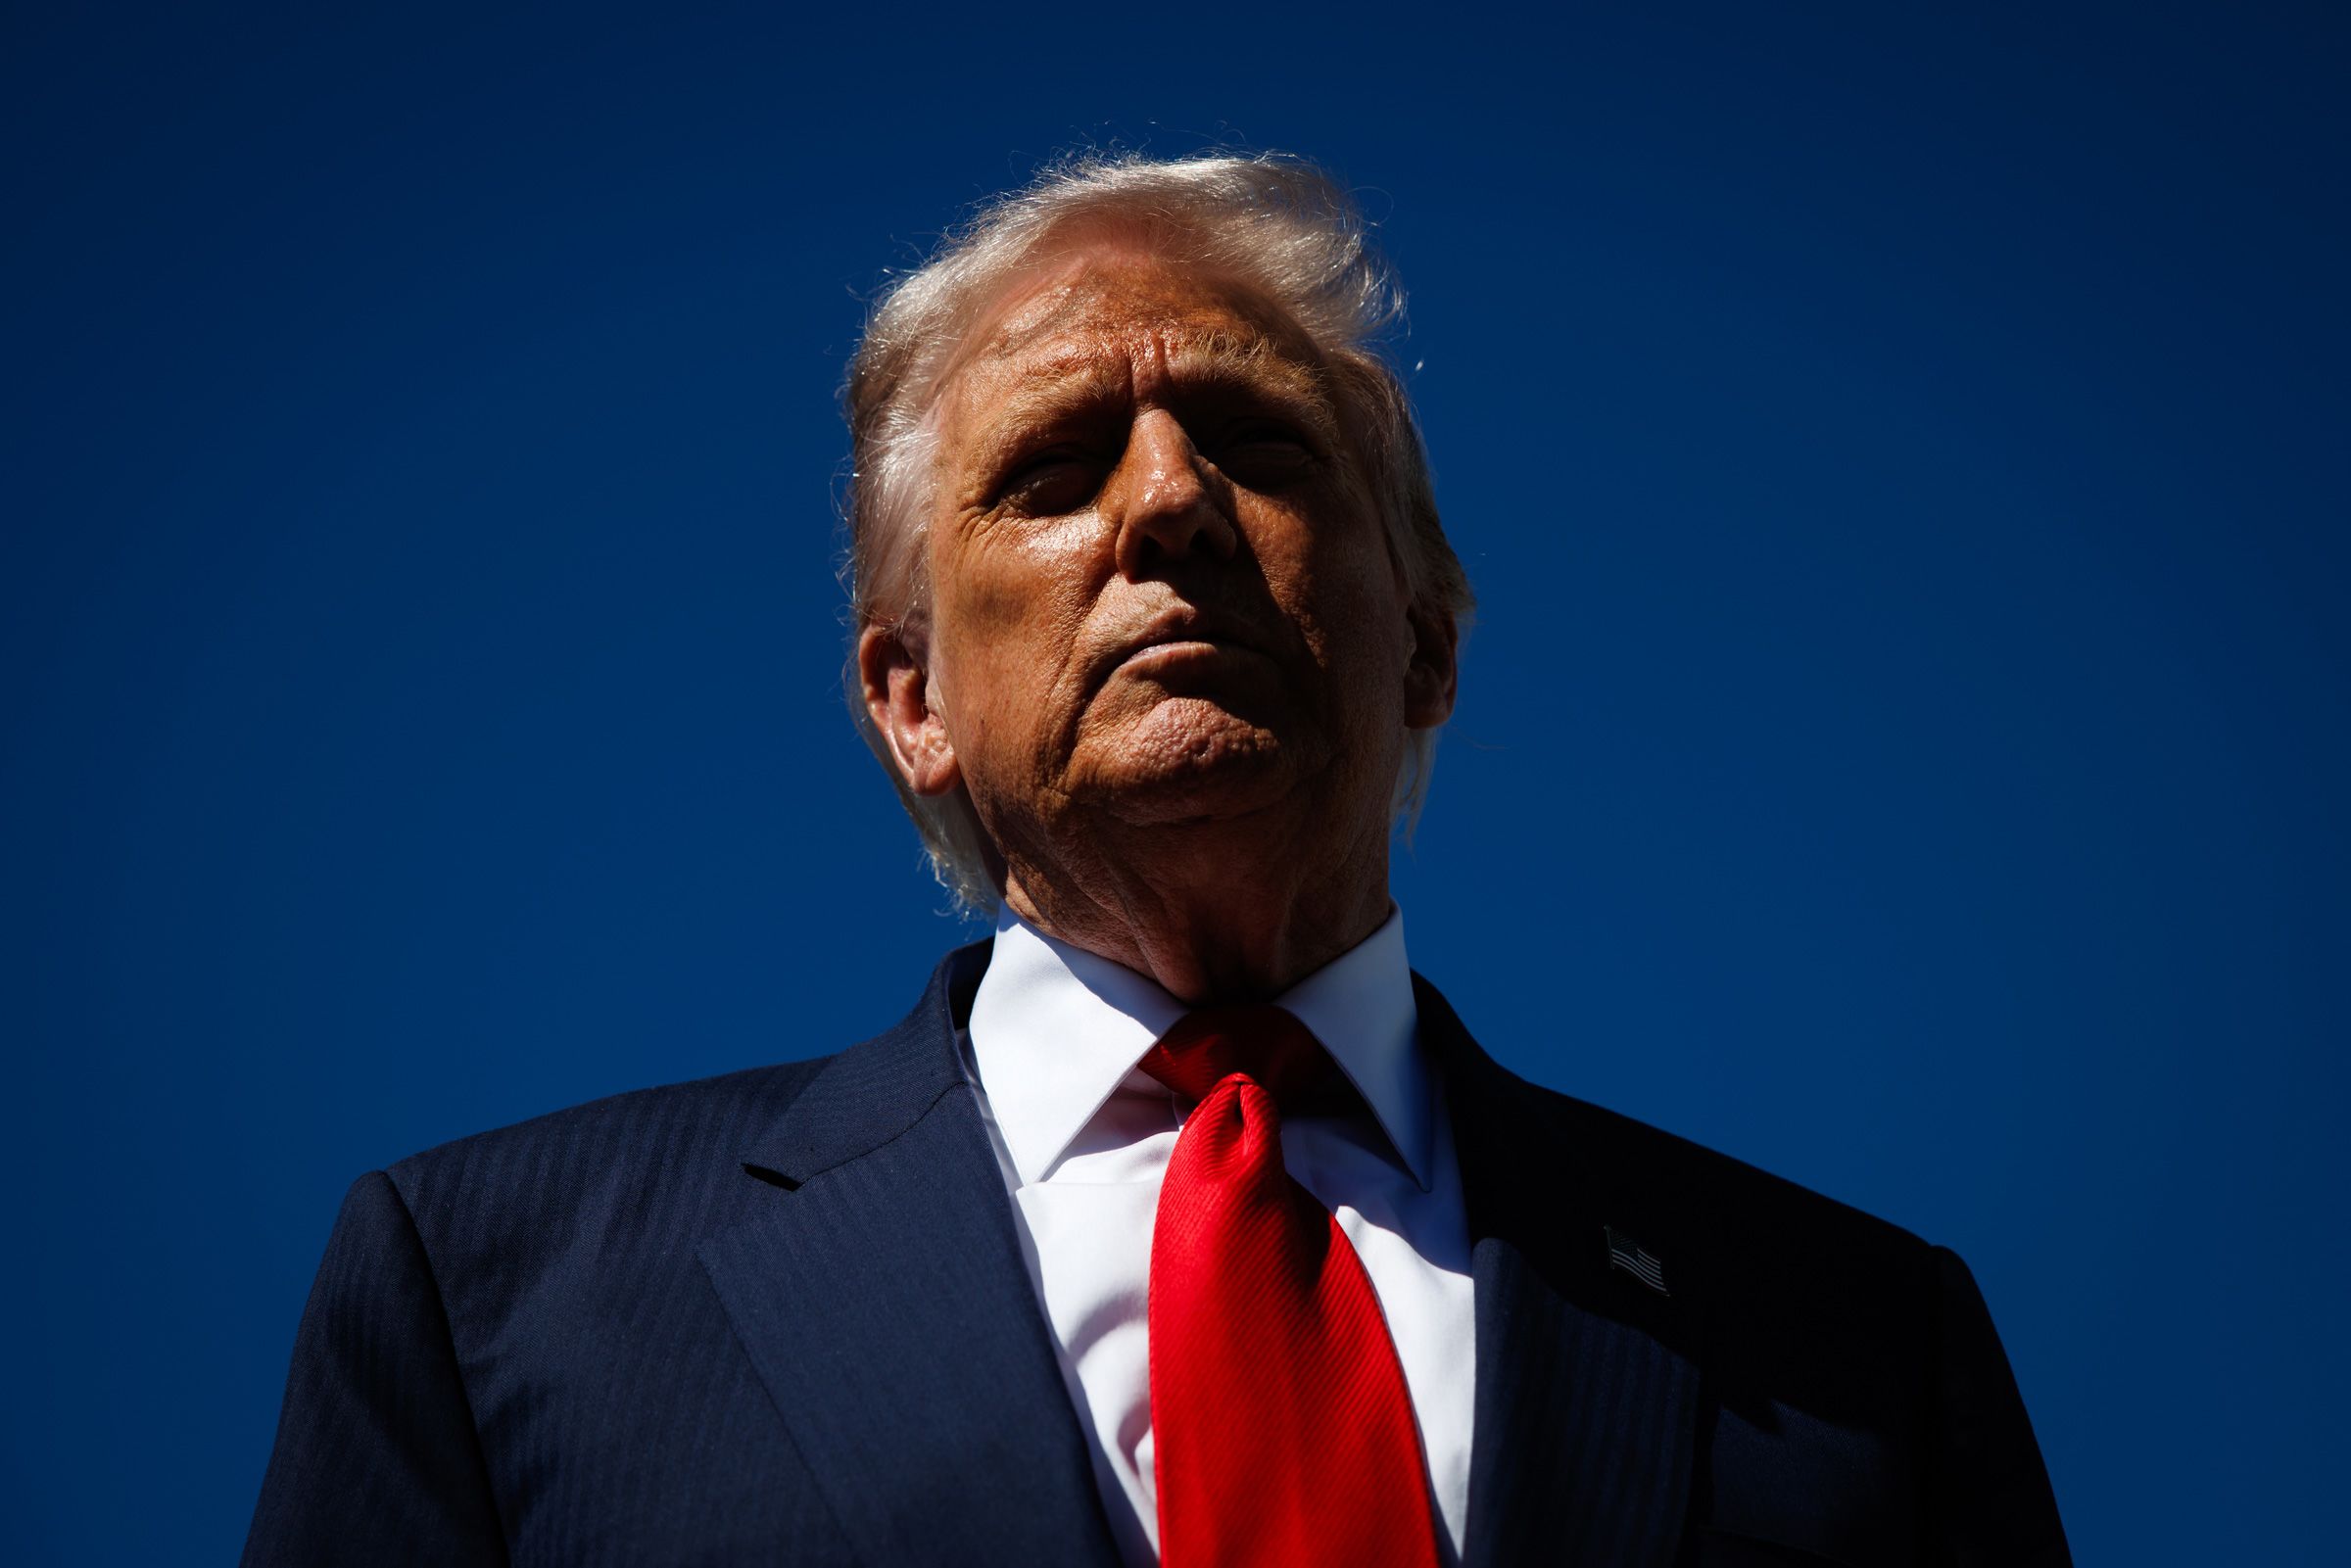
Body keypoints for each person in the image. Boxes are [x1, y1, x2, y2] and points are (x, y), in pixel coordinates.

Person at [243, 153, 2071, 1567]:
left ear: (1428, 639)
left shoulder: (1854, 1343)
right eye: (1054, 468)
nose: (1173, 501)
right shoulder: (497, 1300)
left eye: (1259, 444)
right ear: (911, 700)